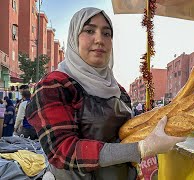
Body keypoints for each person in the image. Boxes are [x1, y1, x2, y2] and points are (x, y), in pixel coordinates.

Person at [26, 7, 185, 180]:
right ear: (74, 37)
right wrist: (139, 149)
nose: (99, 40)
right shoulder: (54, 85)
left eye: (107, 33)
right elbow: (62, 151)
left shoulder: (119, 91)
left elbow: (126, 137)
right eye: (89, 30)